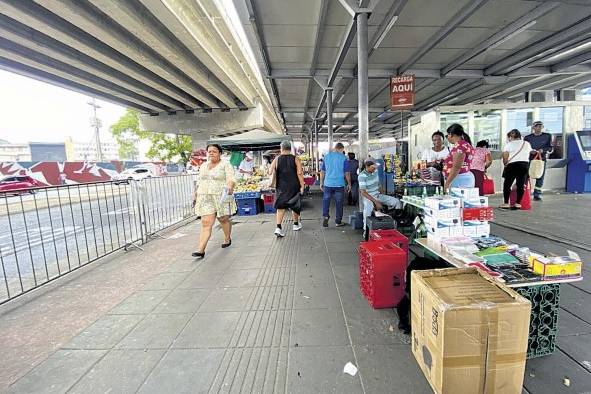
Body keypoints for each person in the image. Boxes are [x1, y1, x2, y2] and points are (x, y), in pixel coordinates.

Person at [192, 144, 236, 259]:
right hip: (205, 197)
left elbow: (231, 178)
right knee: (206, 222)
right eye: (209, 151)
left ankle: (227, 238)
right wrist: (196, 193)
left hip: (220, 196)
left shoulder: (225, 164)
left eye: (214, 151)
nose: (211, 153)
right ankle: (201, 249)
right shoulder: (203, 166)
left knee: (223, 219)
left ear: (220, 153)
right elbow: (199, 181)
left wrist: (230, 186)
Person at [271, 141, 305, 237]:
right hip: (293, 186)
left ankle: (278, 227)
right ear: (290, 149)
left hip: (281, 187)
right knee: (294, 205)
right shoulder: (296, 159)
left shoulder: (276, 159)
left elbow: (270, 171)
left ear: (281, 148)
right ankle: (295, 224)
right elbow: (299, 173)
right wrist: (302, 185)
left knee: (280, 207)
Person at [358, 160, 402, 232]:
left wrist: (383, 195)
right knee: (368, 208)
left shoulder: (375, 172)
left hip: (377, 195)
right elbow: (363, 192)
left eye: (375, 167)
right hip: (368, 196)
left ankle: (395, 225)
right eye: (373, 167)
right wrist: (376, 202)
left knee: (396, 202)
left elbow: (379, 184)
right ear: (367, 167)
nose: (374, 169)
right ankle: (366, 230)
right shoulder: (362, 176)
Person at [320, 143, 352, 227]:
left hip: (328, 183)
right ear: (341, 149)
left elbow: (322, 171)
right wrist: (349, 184)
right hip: (339, 184)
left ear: (335, 148)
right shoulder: (344, 158)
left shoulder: (326, 157)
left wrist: (321, 183)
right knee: (339, 203)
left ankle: (326, 216)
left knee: (326, 201)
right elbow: (347, 173)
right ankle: (338, 221)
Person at [501, 129, 532, 210]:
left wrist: (505, 163)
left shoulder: (509, 145)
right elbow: (530, 153)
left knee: (507, 184)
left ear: (511, 136)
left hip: (512, 165)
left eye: (509, 137)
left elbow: (505, 156)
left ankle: (506, 203)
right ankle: (518, 203)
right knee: (520, 185)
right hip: (524, 165)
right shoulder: (527, 143)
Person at [524, 121, 553, 201]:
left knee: (540, 177)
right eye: (537, 126)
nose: (539, 128)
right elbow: (525, 148)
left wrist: (542, 150)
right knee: (526, 176)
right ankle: (524, 192)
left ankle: (537, 194)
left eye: (540, 126)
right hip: (529, 159)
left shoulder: (547, 136)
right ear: (533, 128)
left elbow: (550, 148)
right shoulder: (528, 137)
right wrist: (530, 151)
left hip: (541, 160)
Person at [443, 124, 475, 193]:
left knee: (457, 202)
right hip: (462, 178)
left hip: (458, 180)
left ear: (451, 134)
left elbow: (456, 167)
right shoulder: (466, 144)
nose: (447, 138)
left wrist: (447, 184)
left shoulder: (459, 146)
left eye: (447, 136)